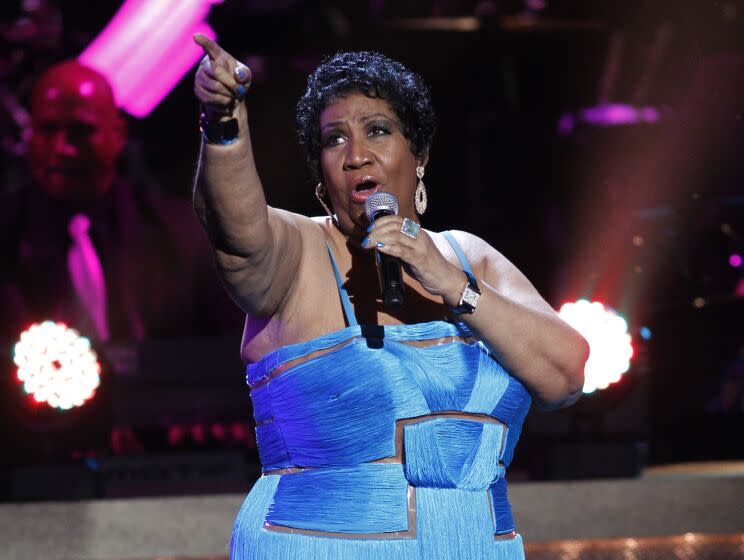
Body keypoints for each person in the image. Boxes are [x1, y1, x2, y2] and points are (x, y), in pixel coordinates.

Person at [193, 34, 589, 560]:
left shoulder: (469, 257)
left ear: (418, 154)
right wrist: (224, 126)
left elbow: (566, 375)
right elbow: (234, 230)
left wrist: (449, 282)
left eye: (377, 131)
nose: (356, 155)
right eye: (334, 140)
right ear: (321, 174)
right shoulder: (298, 252)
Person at [0, 60, 241, 344]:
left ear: (118, 134)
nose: (61, 148)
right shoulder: (7, 235)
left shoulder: (185, 235)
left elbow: (229, 355)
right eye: (48, 130)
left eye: (81, 130)